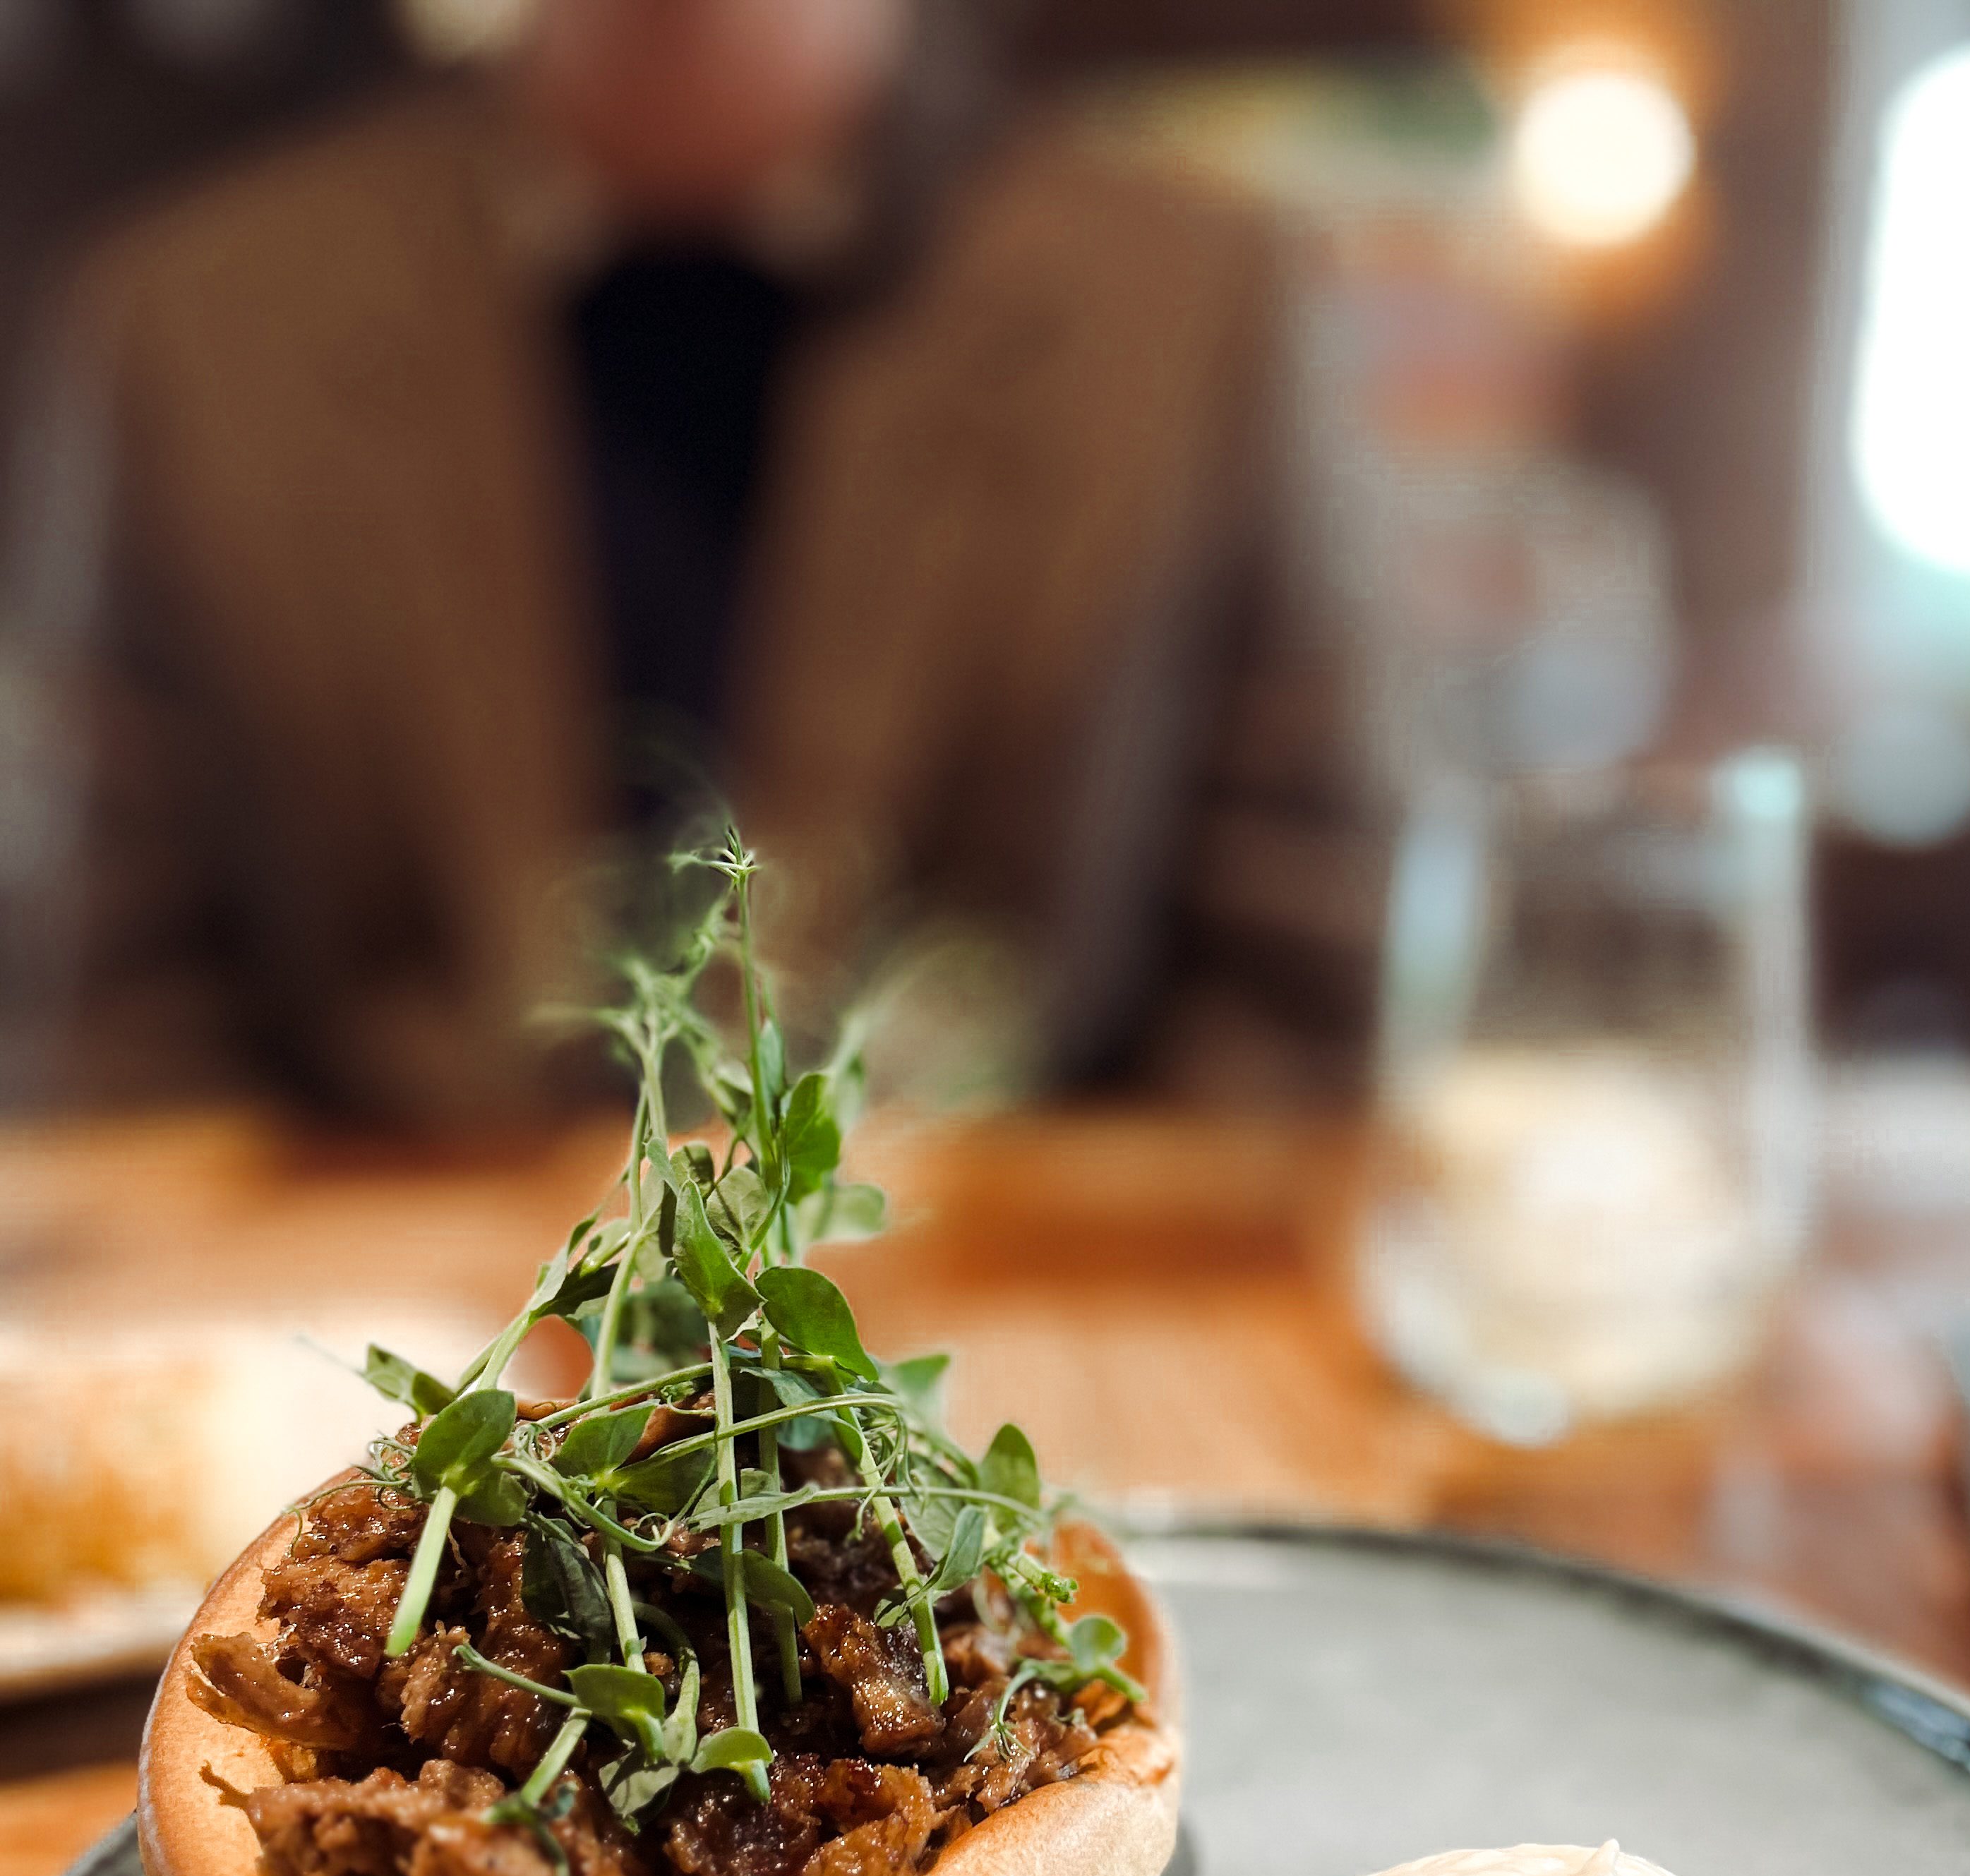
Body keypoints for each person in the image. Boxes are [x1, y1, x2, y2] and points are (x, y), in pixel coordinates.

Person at [7, 0, 1388, 1123]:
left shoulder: (1193, 307)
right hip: (385, 1342)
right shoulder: (195, 323)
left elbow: (1296, 997)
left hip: (1012, 1322)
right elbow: (115, 1016)